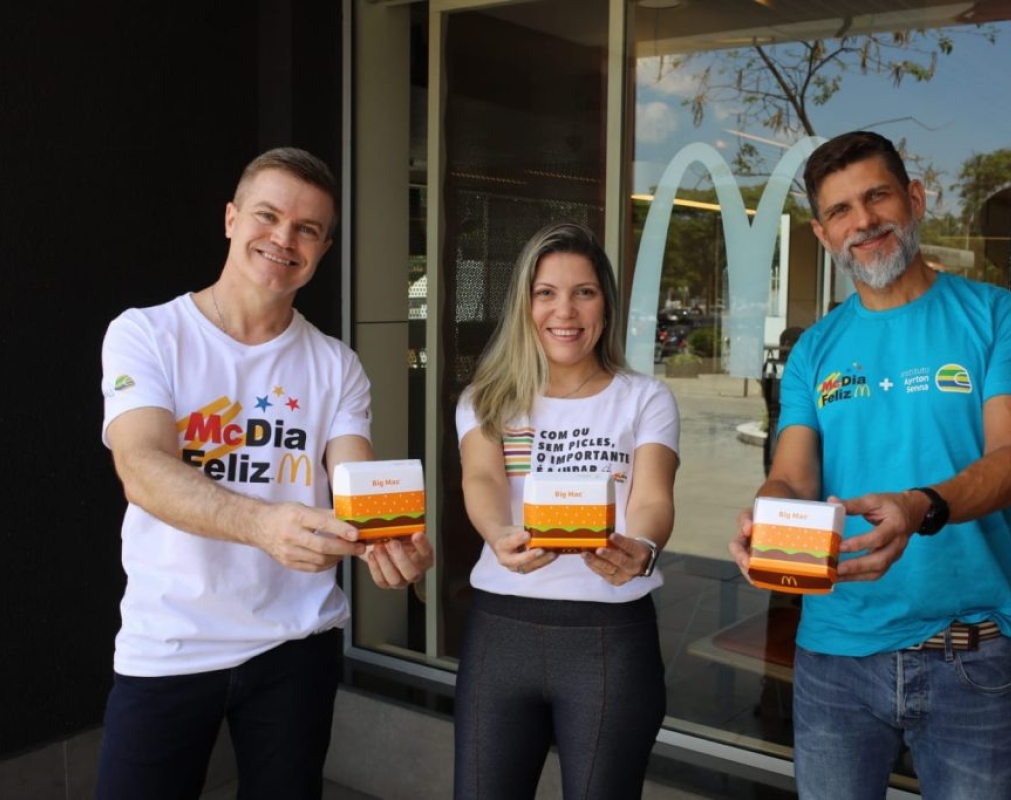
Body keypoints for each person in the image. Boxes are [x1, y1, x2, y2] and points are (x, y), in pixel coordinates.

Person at [730, 131, 1011, 799]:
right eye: (842, 211)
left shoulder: (996, 317)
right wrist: (766, 514)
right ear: (824, 235)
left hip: (969, 651)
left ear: (913, 200)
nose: (864, 222)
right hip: (835, 654)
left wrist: (920, 506)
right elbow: (793, 474)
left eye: (877, 196)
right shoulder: (816, 349)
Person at [97, 147, 434, 799]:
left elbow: (355, 484)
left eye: (307, 228)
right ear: (231, 219)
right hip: (170, 638)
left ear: (324, 246)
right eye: (268, 215)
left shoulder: (336, 365)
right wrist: (262, 525)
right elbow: (141, 466)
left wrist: (392, 542)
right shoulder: (148, 334)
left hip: (294, 646)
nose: (284, 238)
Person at [453, 222, 679, 799]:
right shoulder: (489, 396)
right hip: (500, 631)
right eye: (546, 292)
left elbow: (653, 495)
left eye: (584, 291)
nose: (565, 310)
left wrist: (644, 550)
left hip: (610, 637)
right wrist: (498, 531)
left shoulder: (644, 397)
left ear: (605, 302)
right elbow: (479, 477)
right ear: (524, 304)